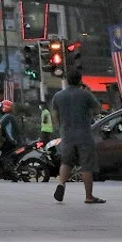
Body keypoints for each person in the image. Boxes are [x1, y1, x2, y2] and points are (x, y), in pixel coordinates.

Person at [51, 69, 104, 204]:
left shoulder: (58, 96)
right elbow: (98, 109)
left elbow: (55, 117)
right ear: (80, 80)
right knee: (86, 166)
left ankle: (62, 184)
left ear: (67, 80)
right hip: (84, 135)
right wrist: (89, 92)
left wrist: (61, 129)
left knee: (66, 162)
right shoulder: (85, 95)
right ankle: (89, 196)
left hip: (67, 135)